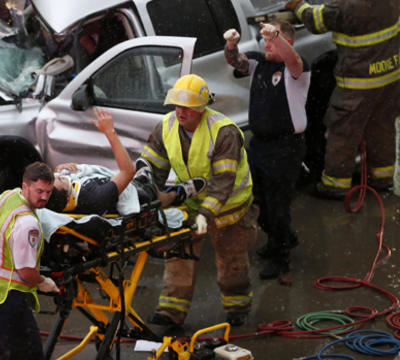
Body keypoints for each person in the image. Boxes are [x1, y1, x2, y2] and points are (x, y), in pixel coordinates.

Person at [138, 74, 258, 333]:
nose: (181, 112)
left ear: (202, 108)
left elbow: (223, 182)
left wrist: (206, 214)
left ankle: (237, 307)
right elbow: (153, 166)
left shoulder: (223, 132)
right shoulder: (166, 126)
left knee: (231, 260)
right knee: (178, 255)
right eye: (177, 106)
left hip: (229, 209)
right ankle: (171, 311)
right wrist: (146, 190)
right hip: (191, 204)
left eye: (188, 107)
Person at [285, 0, 400, 198]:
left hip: (359, 81)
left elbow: (316, 21)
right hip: (391, 74)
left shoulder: (347, 5)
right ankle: (382, 181)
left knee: (343, 132)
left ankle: (335, 185)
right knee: (382, 127)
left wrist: (297, 5)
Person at [223, 20, 310, 279]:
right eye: (267, 39)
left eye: (274, 39)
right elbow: (235, 61)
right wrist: (231, 44)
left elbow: (294, 61)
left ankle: (281, 258)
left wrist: (278, 37)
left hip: (286, 147)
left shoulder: (296, 69)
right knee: (256, 200)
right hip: (259, 145)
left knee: (278, 205)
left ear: (288, 41)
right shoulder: (260, 63)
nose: (268, 43)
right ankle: (281, 238)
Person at [46, 107, 207, 215]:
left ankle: (143, 177)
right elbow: (127, 171)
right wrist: (110, 132)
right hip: (136, 194)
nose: (60, 176)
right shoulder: (95, 197)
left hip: (117, 183)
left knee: (139, 178)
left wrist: (62, 168)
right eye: (59, 179)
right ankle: (178, 193)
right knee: (155, 195)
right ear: (68, 197)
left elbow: (57, 178)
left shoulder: (65, 195)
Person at [0, 161, 60, 360]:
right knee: (29, 354)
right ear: (25, 186)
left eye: (49, 192)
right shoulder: (28, 224)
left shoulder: (8, 196)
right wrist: (43, 282)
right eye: (39, 191)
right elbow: (27, 273)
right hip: (8, 300)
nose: (44, 197)